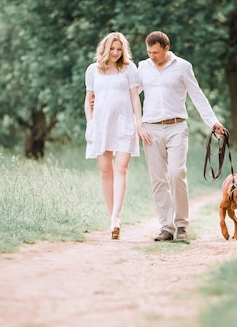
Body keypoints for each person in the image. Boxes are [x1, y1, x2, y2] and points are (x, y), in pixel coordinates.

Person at [137, 31, 227, 241]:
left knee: (177, 173)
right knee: (158, 180)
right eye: (149, 52)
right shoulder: (142, 68)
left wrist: (213, 122)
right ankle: (166, 227)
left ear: (166, 48)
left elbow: (197, 95)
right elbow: (131, 94)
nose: (152, 56)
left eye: (156, 52)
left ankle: (182, 225)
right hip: (151, 129)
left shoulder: (183, 67)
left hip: (176, 127)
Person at [84, 32, 146, 240]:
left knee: (121, 168)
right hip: (101, 124)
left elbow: (135, 99)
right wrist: (90, 123)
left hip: (124, 123)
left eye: (119, 49)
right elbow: (88, 99)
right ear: (105, 48)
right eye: (112, 49)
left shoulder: (129, 69)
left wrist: (139, 123)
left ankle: (115, 219)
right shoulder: (93, 70)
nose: (116, 53)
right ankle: (112, 216)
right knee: (105, 170)